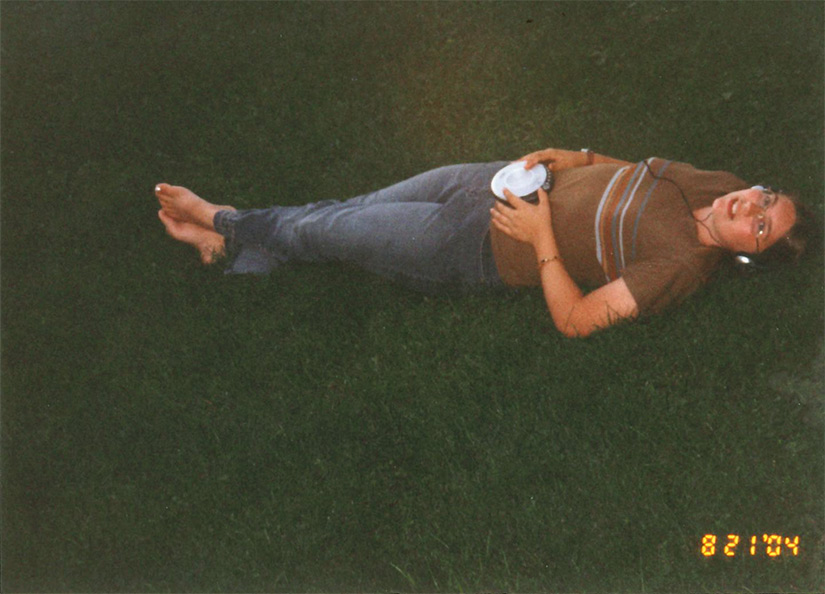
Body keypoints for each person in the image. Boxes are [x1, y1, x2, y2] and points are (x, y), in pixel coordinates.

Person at [155, 148, 816, 338]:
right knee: (351, 212)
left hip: (479, 247)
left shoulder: (680, 268)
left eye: (758, 225)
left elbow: (578, 320)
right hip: (493, 182)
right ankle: (247, 251)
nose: (745, 205)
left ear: (743, 259)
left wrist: (541, 239)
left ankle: (223, 222)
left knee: (333, 228)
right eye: (763, 197)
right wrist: (579, 156)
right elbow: (638, 173)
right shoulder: (717, 184)